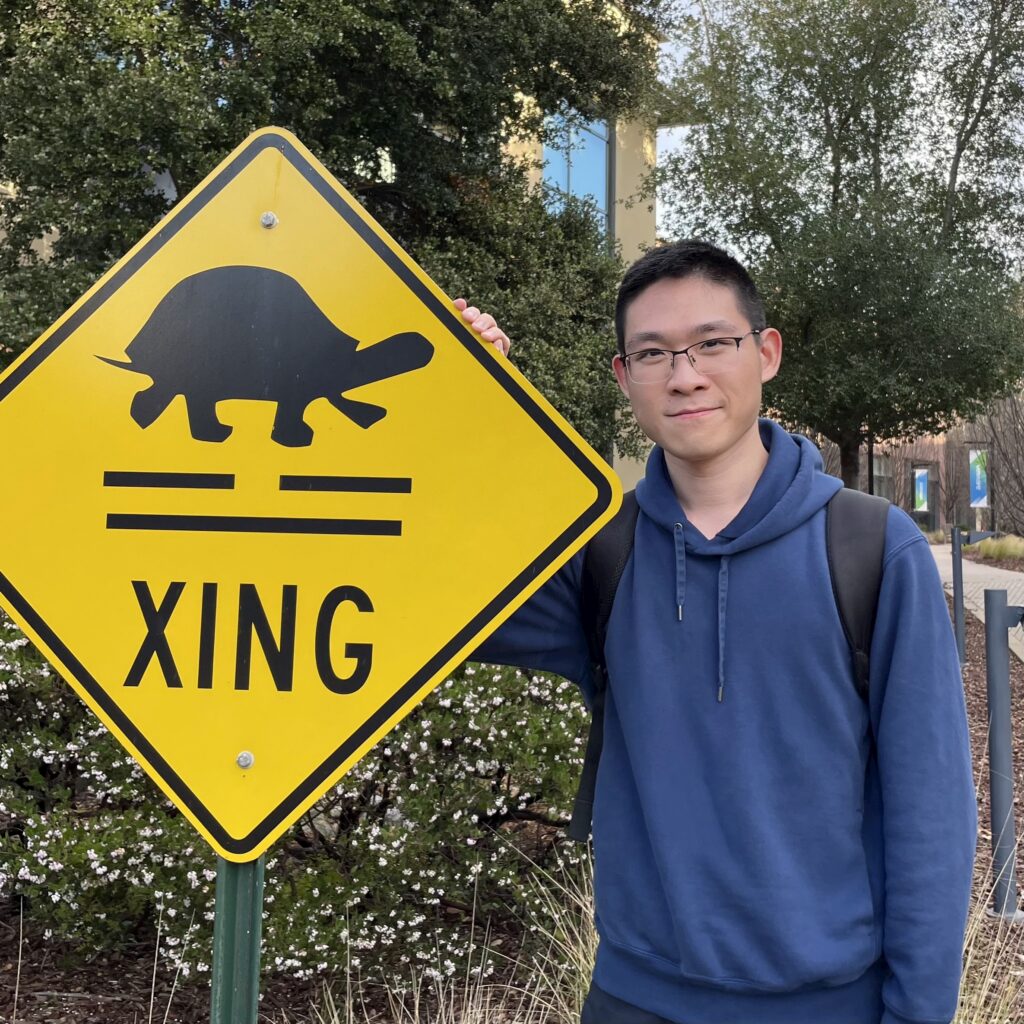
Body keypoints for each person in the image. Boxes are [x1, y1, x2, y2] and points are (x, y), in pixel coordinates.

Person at [455, 239, 977, 1024]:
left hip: (830, 1004)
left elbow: (930, 814)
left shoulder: (871, 549)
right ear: (623, 375)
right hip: (633, 998)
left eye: (712, 343)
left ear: (765, 354)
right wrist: (468, 403)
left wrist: (917, 1011)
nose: (685, 375)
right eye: (653, 353)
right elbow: (452, 597)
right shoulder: (601, 555)